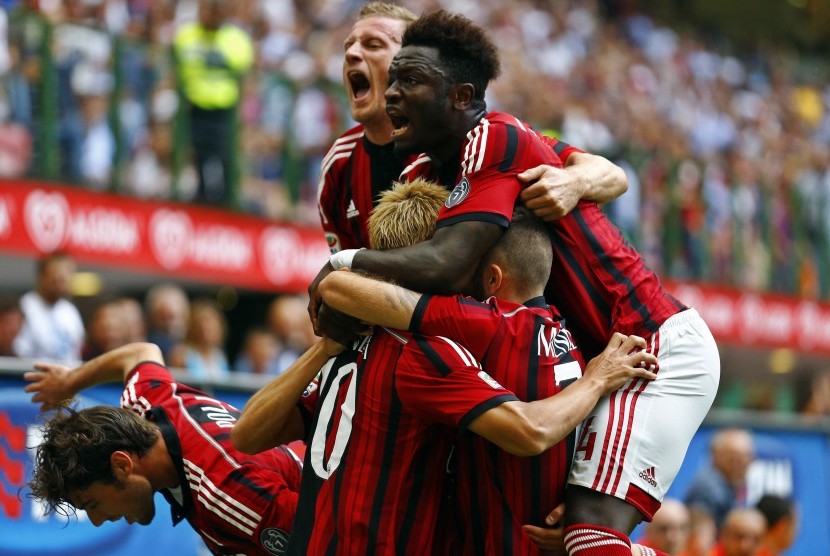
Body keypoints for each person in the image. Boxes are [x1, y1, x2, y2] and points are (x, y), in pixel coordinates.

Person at [309, 10, 720, 556]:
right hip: (579, 358)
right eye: (393, 79)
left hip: (648, 345)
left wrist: (342, 270)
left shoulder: (495, 135)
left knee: (587, 535)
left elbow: (449, 265)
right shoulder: (403, 172)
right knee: (557, 538)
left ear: (459, 96)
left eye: (408, 79)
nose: (393, 93)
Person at [234, 177, 657, 555]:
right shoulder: (427, 352)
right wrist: (597, 379)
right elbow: (531, 431)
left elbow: (247, 435)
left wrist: (325, 348)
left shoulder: (350, 344)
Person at [319, 1, 627, 255]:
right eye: (348, 45)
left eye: (374, 44)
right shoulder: (338, 164)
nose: (351, 54)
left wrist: (573, 182)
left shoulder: (480, 138)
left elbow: (612, 175)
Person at [23, 342, 304, 556]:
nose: (97, 521)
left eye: (92, 504)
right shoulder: (146, 403)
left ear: (122, 465)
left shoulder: (225, 492)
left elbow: (336, 540)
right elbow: (140, 352)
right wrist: (71, 381)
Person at [173, 0, 253, 205]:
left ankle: (227, 198)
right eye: (207, 9)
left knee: (224, 155)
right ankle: (201, 195)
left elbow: (248, 78)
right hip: (194, 107)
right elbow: (174, 68)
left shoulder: (236, 40)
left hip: (224, 110)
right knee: (197, 154)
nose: (210, 15)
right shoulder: (186, 36)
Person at [14, 252, 85, 362]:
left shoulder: (70, 311)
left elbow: (76, 350)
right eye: (57, 279)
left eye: (66, 278)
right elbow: (18, 353)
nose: (61, 284)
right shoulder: (25, 307)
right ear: (42, 276)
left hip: (67, 375)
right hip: (32, 375)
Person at [684, 428, 755, 528]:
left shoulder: (731, 484)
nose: (739, 464)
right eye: (732, 458)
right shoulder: (707, 489)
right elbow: (701, 539)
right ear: (715, 456)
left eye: (746, 457)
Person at [144, 283, 190, 361]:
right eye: (165, 317)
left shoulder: (189, 342)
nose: (172, 323)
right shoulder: (152, 345)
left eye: (174, 316)